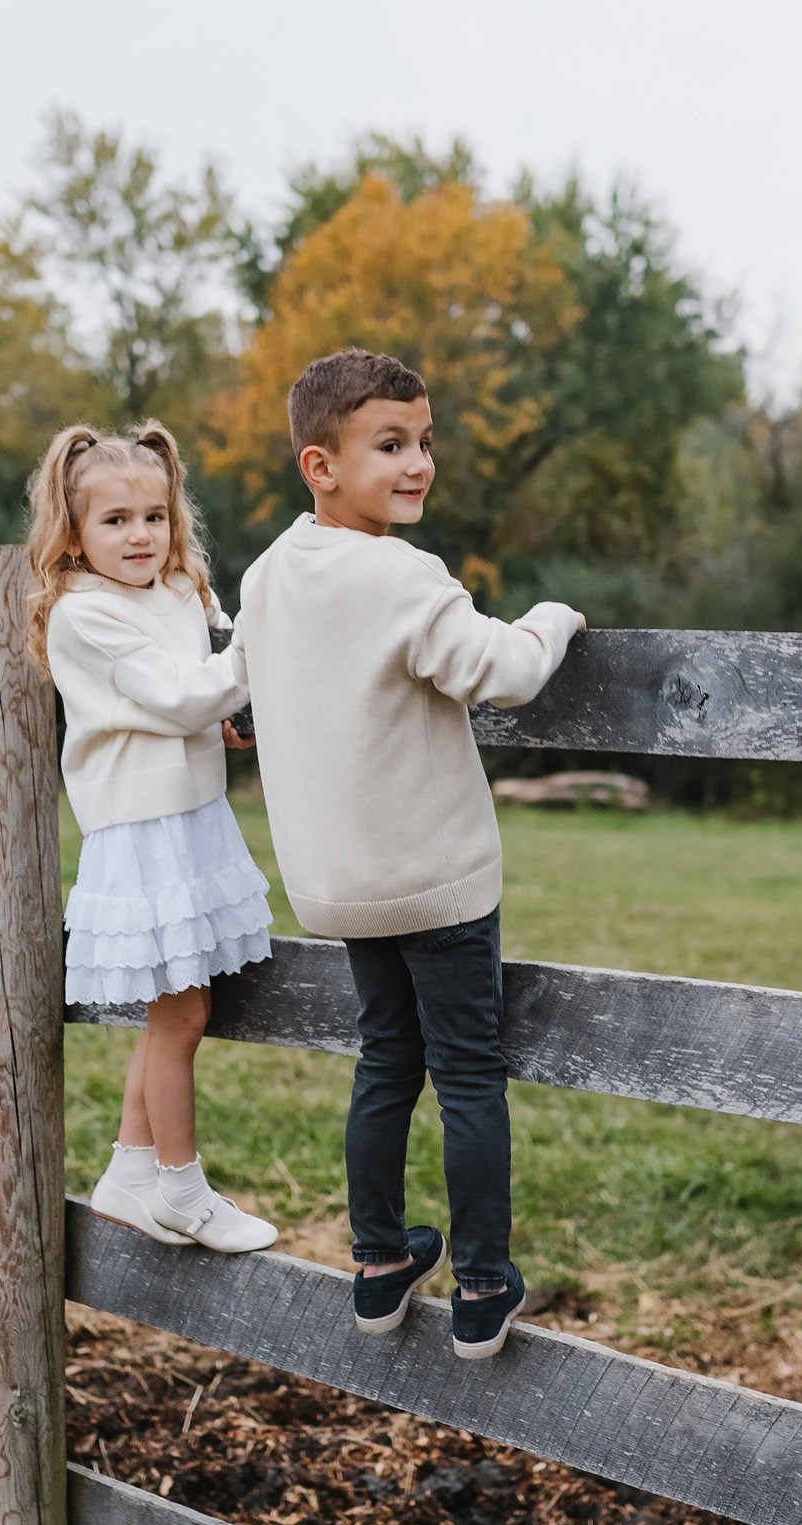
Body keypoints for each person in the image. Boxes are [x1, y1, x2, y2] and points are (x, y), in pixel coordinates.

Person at [229, 349, 586, 1360]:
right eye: (389, 445)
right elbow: (506, 671)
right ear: (321, 464)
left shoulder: (268, 573)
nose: (418, 463)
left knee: (386, 1058)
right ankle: (482, 1280)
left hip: (339, 884)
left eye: (424, 441)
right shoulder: (402, 575)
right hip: (436, 880)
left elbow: (243, 676)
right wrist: (553, 617)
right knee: (468, 1071)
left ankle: (381, 1261)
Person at [29, 421, 279, 1254]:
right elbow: (176, 696)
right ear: (74, 534)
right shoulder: (83, 613)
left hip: (193, 814)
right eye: (115, 520)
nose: (140, 535)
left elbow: (207, 672)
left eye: (155, 516)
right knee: (182, 1015)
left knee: (177, 1010)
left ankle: (131, 1172)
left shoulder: (180, 588)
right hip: (142, 831)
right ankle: (182, 1187)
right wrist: (261, 647)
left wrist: (229, 709)